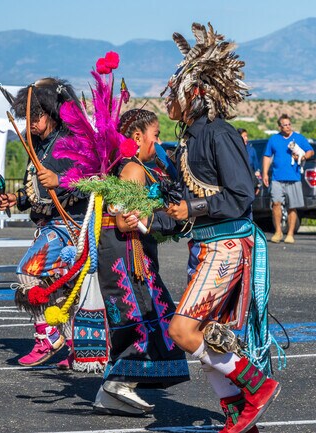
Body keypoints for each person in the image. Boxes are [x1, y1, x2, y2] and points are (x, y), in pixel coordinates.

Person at [163, 22, 280, 433]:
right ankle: (237, 416)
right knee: (210, 335)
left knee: (182, 330)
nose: (168, 95)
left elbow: (241, 194)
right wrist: (147, 218)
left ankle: (257, 385)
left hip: (228, 247)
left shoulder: (219, 133)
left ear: (195, 92)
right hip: (204, 248)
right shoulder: (186, 142)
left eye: (175, 86)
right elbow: (177, 207)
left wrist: (191, 206)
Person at [91, 108, 190, 416]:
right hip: (125, 255)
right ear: (137, 137)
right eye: (155, 135)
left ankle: (115, 390)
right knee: (142, 316)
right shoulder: (132, 169)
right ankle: (117, 383)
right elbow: (124, 221)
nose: (157, 141)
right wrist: (164, 218)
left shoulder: (131, 167)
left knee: (153, 314)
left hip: (130, 254)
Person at [0, 78, 87, 367]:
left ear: (51, 112)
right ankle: (77, 348)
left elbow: (94, 180)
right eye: (28, 117)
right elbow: (36, 190)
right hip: (51, 224)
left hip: (70, 225)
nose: (31, 123)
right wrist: (17, 199)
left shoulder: (72, 141)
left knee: (28, 273)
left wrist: (61, 180)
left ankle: (47, 336)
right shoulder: (38, 143)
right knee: (60, 286)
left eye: (36, 116)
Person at [261, 114, 314, 244]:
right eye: (284, 125)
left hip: (294, 178)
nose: (287, 127)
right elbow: (267, 156)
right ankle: (278, 232)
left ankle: (290, 234)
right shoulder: (274, 139)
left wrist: (303, 157)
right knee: (276, 204)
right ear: (280, 127)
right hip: (277, 178)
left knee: (292, 206)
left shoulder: (299, 138)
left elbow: (310, 151)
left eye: (289, 124)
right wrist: (265, 173)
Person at [237, 128, 261, 195]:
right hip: (238, 185)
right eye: (244, 136)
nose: (246, 138)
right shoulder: (233, 150)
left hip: (250, 184)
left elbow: (257, 169)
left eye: (247, 136)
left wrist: (259, 183)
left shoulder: (251, 150)